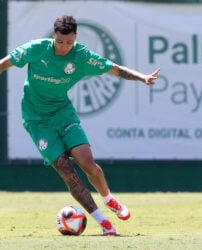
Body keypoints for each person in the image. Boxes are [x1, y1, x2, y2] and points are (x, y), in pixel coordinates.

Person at [0, 15, 160, 236]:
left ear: (75, 37)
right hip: (37, 122)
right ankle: (102, 221)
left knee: (88, 164)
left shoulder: (82, 56)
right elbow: (5, 63)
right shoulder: (36, 49)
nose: (64, 47)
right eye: (60, 42)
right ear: (53, 36)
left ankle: (108, 199)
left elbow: (114, 69)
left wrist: (142, 77)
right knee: (68, 173)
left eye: (69, 42)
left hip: (63, 114)